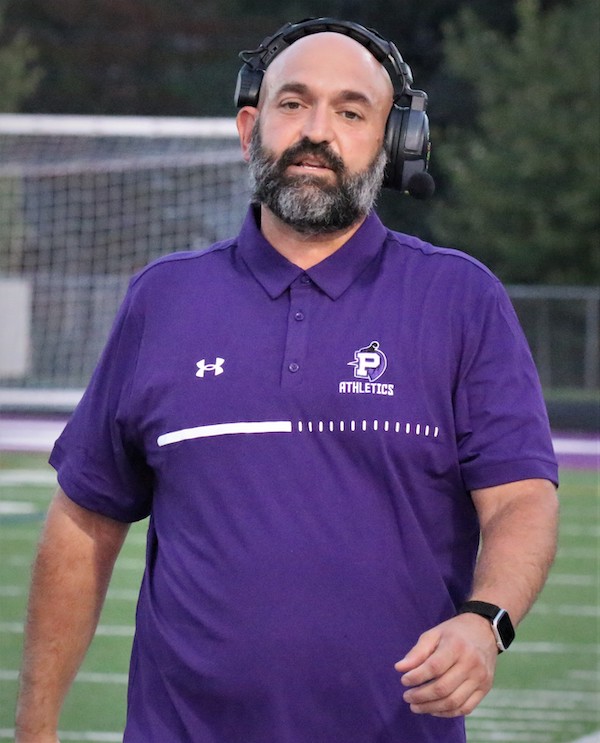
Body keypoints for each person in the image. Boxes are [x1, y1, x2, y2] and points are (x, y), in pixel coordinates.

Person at [16, 18, 559, 743]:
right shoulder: (163, 299)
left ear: (396, 143)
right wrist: (35, 728)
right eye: (293, 103)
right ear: (251, 127)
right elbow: (84, 521)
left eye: (351, 112)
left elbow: (520, 498)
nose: (316, 131)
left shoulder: (461, 299)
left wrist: (485, 620)